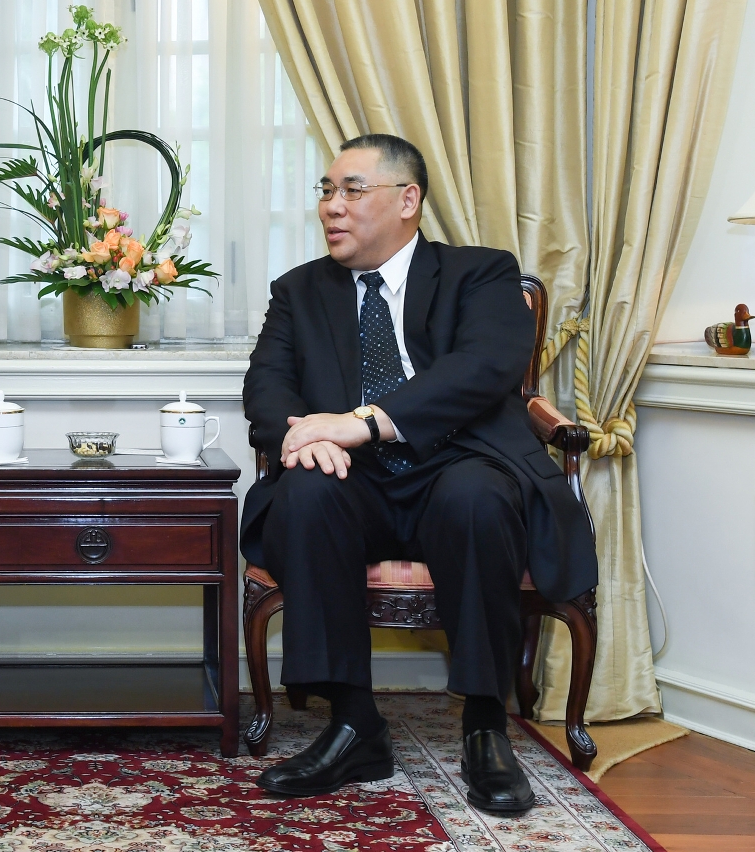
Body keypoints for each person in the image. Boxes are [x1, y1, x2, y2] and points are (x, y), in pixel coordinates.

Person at [241, 134, 596, 815]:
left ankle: (486, 726)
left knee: (477, 498)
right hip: (355, 480)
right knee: (306, 492)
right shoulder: (300, 291)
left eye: (351, 190)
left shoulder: (482, 274)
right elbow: (268, 388)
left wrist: (366, 420)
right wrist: (308, 436)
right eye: (325, 191)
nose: (331, 207)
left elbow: (485, 370)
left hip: (457, 463)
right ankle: (353, 725)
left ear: (408, 200)